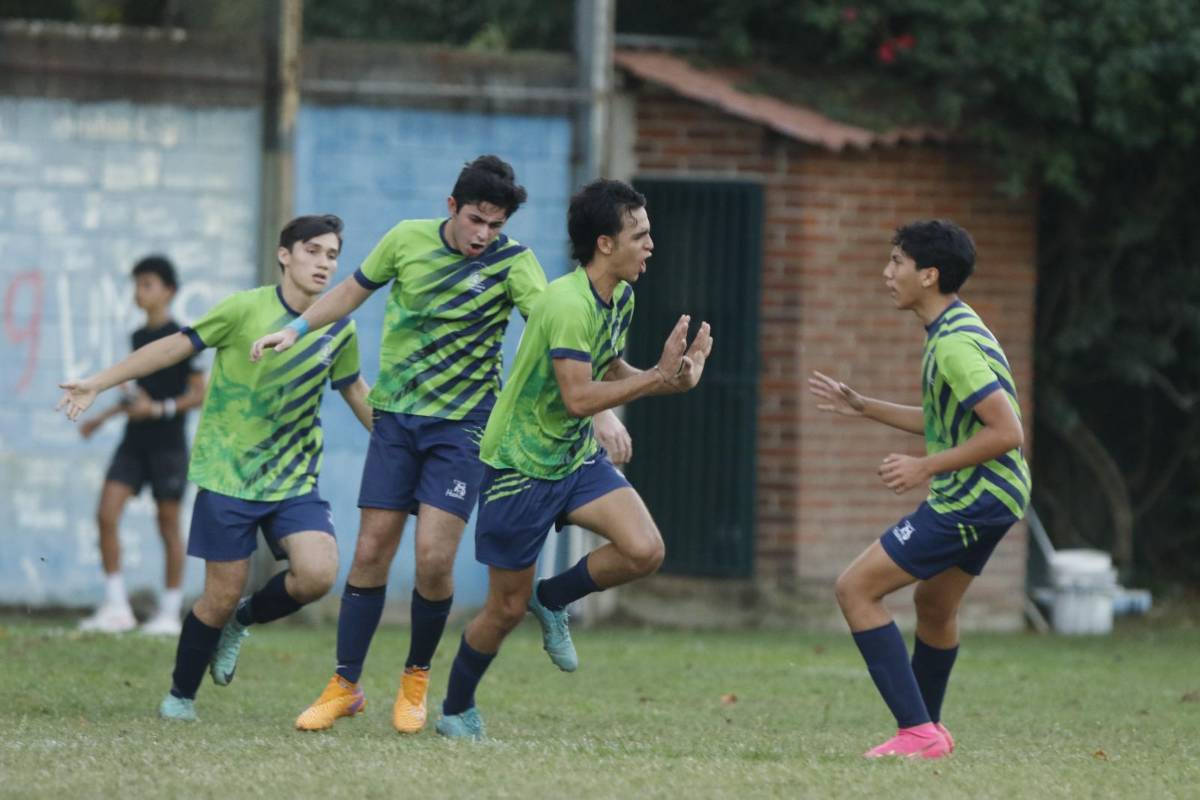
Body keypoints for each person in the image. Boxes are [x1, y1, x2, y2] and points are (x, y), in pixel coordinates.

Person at [251, 155, 632, 734]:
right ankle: (344, 685)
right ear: (452, 208)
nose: (484, 235)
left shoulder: (516, 264)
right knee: (372, 551)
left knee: (432, 557)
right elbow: (352, 292)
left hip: (465, 427)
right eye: (476, 220)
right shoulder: (405, 240)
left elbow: (560, 329)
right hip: (397, 421)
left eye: (495, 225)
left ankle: (415, 680)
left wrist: (602, 411)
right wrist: (295, 328)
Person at [58, 215, 373, 722]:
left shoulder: (340, 323)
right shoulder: (244, 308)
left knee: (318, 574)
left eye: (333, 255)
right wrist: (99, 382)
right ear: (285, 254)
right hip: (228, 475)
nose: (324, 263)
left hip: (294, 480)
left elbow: (355, 390)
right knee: (219, 594)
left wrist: (400, 448)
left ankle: (244, 619)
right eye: (313, 251)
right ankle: (181, 696)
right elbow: (170, 349)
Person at [435, 178, 713, 740]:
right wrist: (655, 379)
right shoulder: (566, 304)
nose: (651, 245)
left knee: (644, 549)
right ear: (605, 244)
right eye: (640, 235)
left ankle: (553, 597)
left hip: (570, 456)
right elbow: (579, 398)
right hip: (519, 466)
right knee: (503, 611)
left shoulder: (620, 297)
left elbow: (612, 371)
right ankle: (455, 708)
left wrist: (673, 383)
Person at [809, 219, 1029, 759]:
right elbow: (944, 420)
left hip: (973, 497)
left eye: (896, 263)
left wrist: (926, 467)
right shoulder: (957, 326)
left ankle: (917, 732)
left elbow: (1007, 432)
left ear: (928, 275)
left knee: (855, 589)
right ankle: (927, 731)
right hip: (999, 497)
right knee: (933, 604)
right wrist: (864, 407)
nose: (887, 274)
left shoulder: (952, 345)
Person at [76, 256, 205, 635]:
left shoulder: (185, 337)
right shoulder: (137, 338)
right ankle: (117, 607)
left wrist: (160, 408)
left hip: (168, 446)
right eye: (136, 284)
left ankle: (168, 613)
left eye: (147, 284)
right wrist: (101, 418)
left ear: (169, 291)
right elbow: (136, 394)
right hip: (133, 443)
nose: (139, 292)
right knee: (106, 513)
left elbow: (198, 394)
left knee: (167, 525)